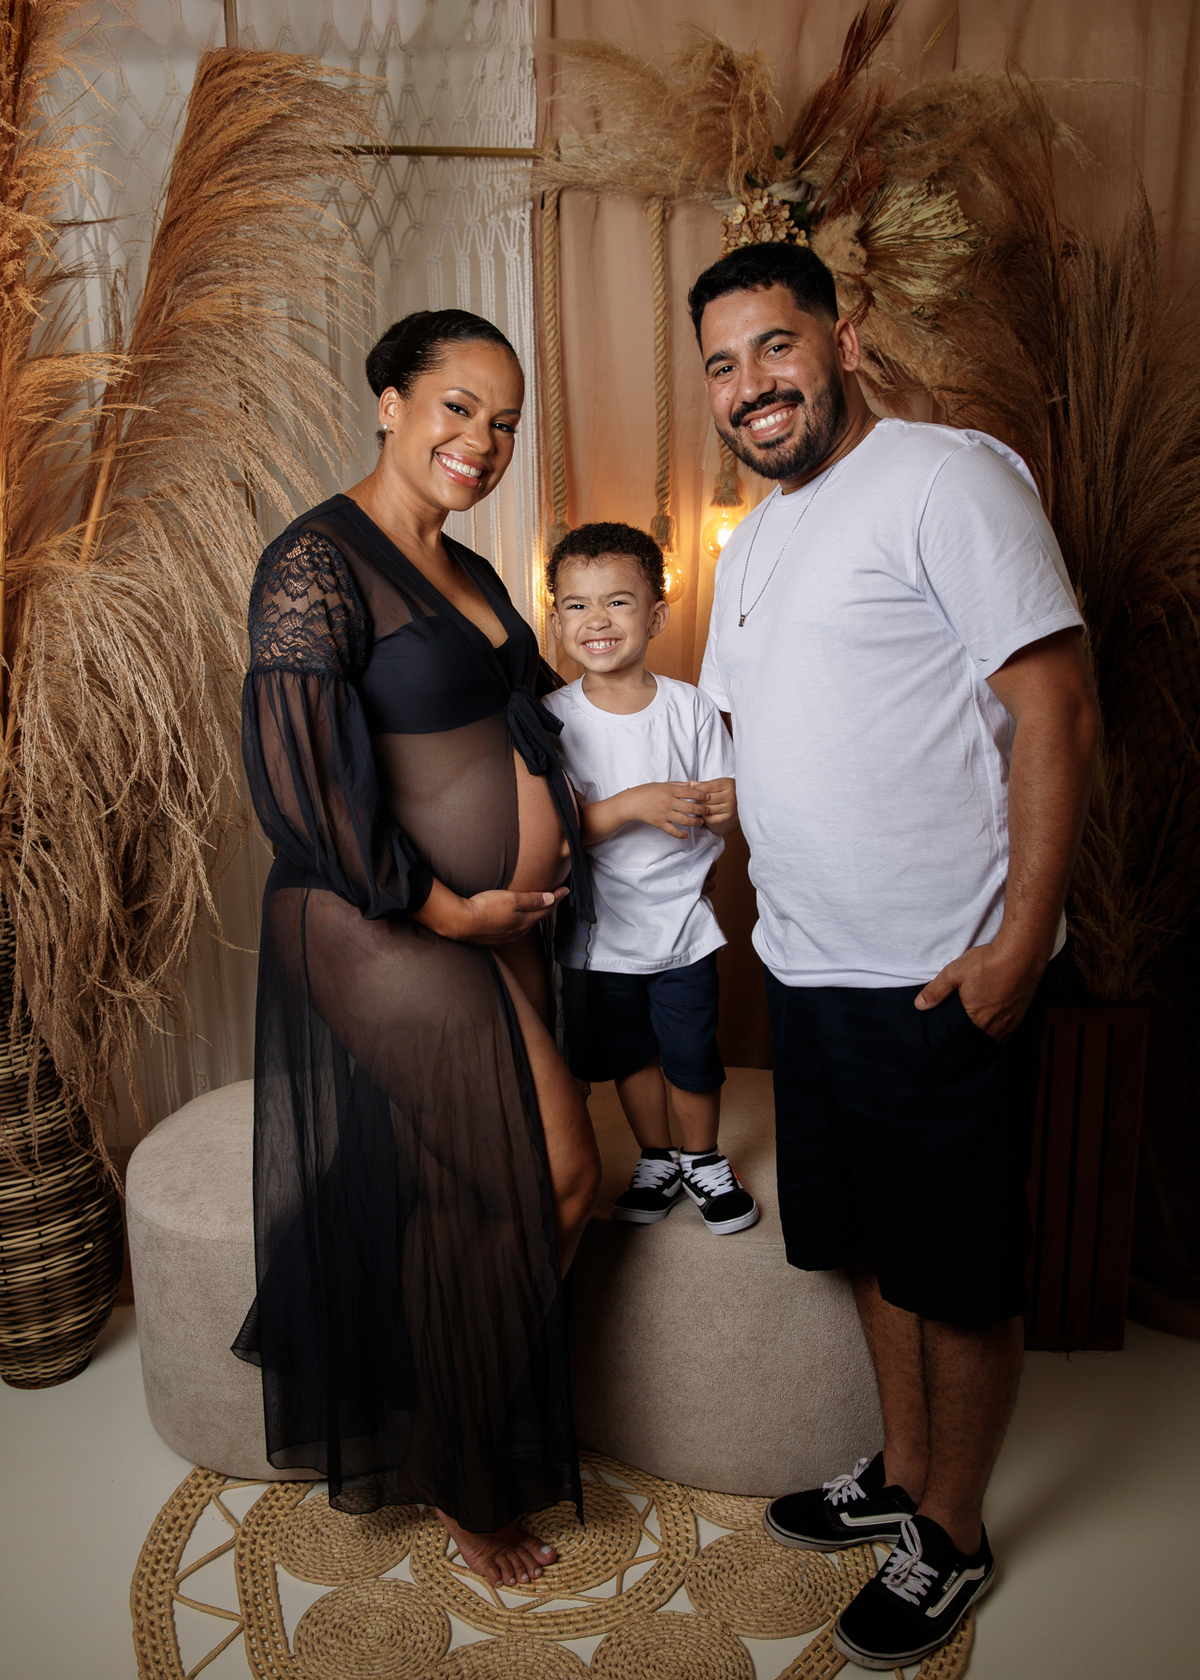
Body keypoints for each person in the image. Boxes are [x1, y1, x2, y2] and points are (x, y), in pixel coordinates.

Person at [689, 243, 1099, 1668]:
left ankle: (956, 1535)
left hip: (938, 972)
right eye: (723, 365)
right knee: (868, 1248)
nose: (752, 385)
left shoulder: (946, 479)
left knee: (959, 1273)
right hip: (810, 972)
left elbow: (1058, 708)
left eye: (775, 345)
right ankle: (905, 1477)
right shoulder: (755, 540)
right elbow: (766, 743)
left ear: (843, 338)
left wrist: (1020, 942)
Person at [233, 309, 602, 1589]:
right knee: (558, 1175)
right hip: (375, 918)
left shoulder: (470, 568)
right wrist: (447, 909)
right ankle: (456, 1456)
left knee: (468, 1193)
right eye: (458, 408)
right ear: (390, 402)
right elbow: (297, 784)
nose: (483, 442)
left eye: (505, 424)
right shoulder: (315, 563)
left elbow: (522, 727)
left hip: (490, 925)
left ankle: (446, 1426)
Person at [542, 522, 758, 1235]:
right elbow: (556, 835)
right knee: (629, 1053)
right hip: (599, 932)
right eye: (576, 605)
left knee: (691, 1051)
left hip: (681, 922)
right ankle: (656, 1157)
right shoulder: (552, 719)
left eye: (618, 602)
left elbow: (725, 812)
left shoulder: (688, 707)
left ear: (656, 616)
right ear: (556, 622)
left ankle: (703, 1158)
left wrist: (729, 805)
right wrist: (633, 804)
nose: (596, 620)